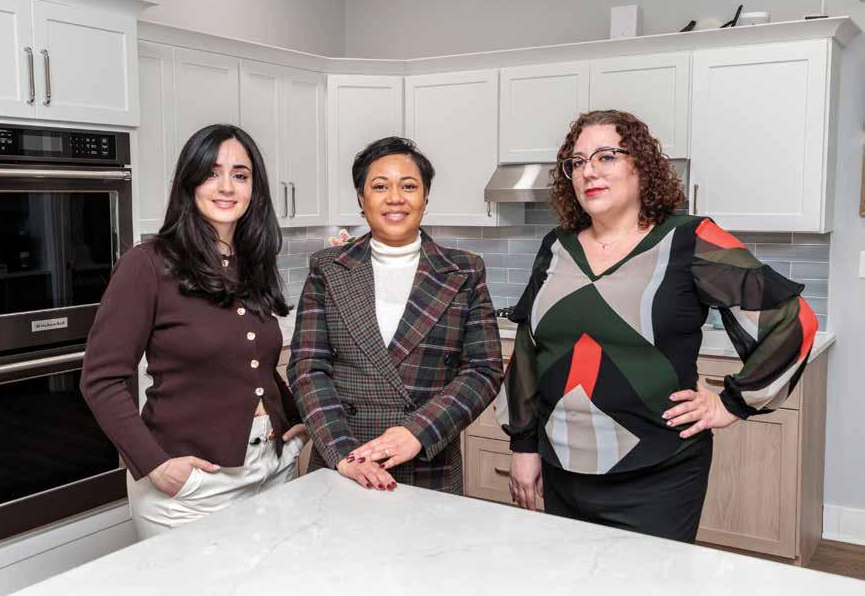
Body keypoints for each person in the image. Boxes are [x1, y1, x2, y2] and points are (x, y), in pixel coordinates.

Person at [497, 110, 817, 542]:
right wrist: (523, 446)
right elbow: (527, 351)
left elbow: (793, 320)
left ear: (641, 166)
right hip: (562, 470)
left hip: (658, 475)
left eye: (606, 156)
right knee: (567, 581)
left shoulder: (690, 239)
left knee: (649, 585)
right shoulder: (556, 246)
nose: (589, 171)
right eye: (578, 162)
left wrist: (730, 404)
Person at [81, 124, 307, 539]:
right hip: (192, 486)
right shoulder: (147, 264)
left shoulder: (252, 261)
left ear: (254, 188)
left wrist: (294, 418)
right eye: (211, 173)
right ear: (189, 182)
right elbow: (101, 379)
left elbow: (252, 364)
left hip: (273, 468)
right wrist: (155, 464)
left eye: (240, 175)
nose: (227, 187)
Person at [288, 136, 503, 494]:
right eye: (380, 186)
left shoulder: (464, 270)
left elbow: (484, 370)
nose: (395, 198)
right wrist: (344, 454)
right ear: (361, 198)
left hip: (428, 462)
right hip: (343, 461)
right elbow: (308, 368)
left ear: (425, 197)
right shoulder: (328, 268)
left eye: (408, 186)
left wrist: (418, 431)